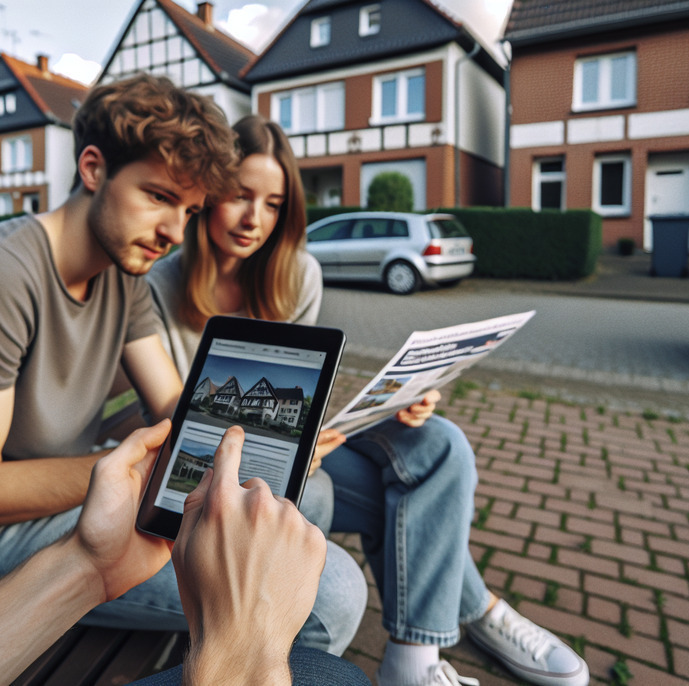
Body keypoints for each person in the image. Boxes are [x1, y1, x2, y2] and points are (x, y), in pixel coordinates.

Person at [0, 75, 365, 656]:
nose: (175, 233)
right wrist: (146, 471)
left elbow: (175, 405)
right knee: (331, 593)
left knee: (302, 497)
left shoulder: (121, 278)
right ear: (94, 168)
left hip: (87, 506)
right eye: (158, 197)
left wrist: (268, 437)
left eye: (190, 209)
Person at [147, 115, 590, 686]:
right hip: (214, 476)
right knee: (391, 499)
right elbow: (172, 416)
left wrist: (398, 399)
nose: (255, 219)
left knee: (437, 441)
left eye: (275, 203)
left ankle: (415, 660)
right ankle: (480, 611)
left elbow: (303, 389)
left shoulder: (295, 274)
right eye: (239, 196)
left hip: (299, 446)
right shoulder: (162, 283)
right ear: (207, 195)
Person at [0, 424, 371, 686]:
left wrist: (90, 564)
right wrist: (240, 656)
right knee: (322, 674)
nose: (177, 226)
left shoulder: (125, 292)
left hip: (91, 553)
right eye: (161, 196)